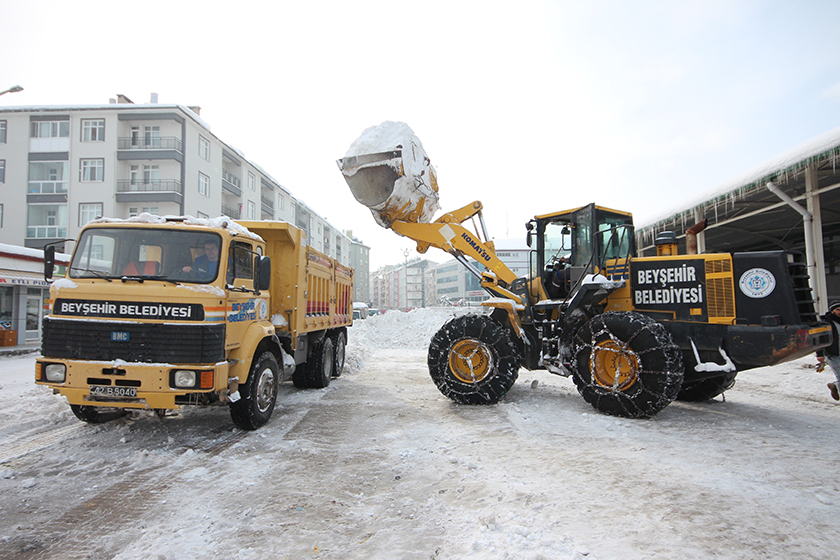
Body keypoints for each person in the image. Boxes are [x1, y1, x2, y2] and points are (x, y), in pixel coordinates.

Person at [816, 301, 840, 401]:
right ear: (832, 311)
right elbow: (820, 338)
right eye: (838, 310)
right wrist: (820, 354)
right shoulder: (826, 322)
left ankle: (834, 386)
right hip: (833, 354)